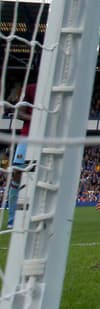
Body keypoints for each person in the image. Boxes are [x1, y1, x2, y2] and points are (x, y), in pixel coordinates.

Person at [6, 80, 36, 228]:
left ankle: (35, 217)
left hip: (49, 140)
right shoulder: (30, 89)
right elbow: (19, 113)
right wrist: (37, 119)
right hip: (27, 138)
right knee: (17, 175)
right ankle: (12, 220)